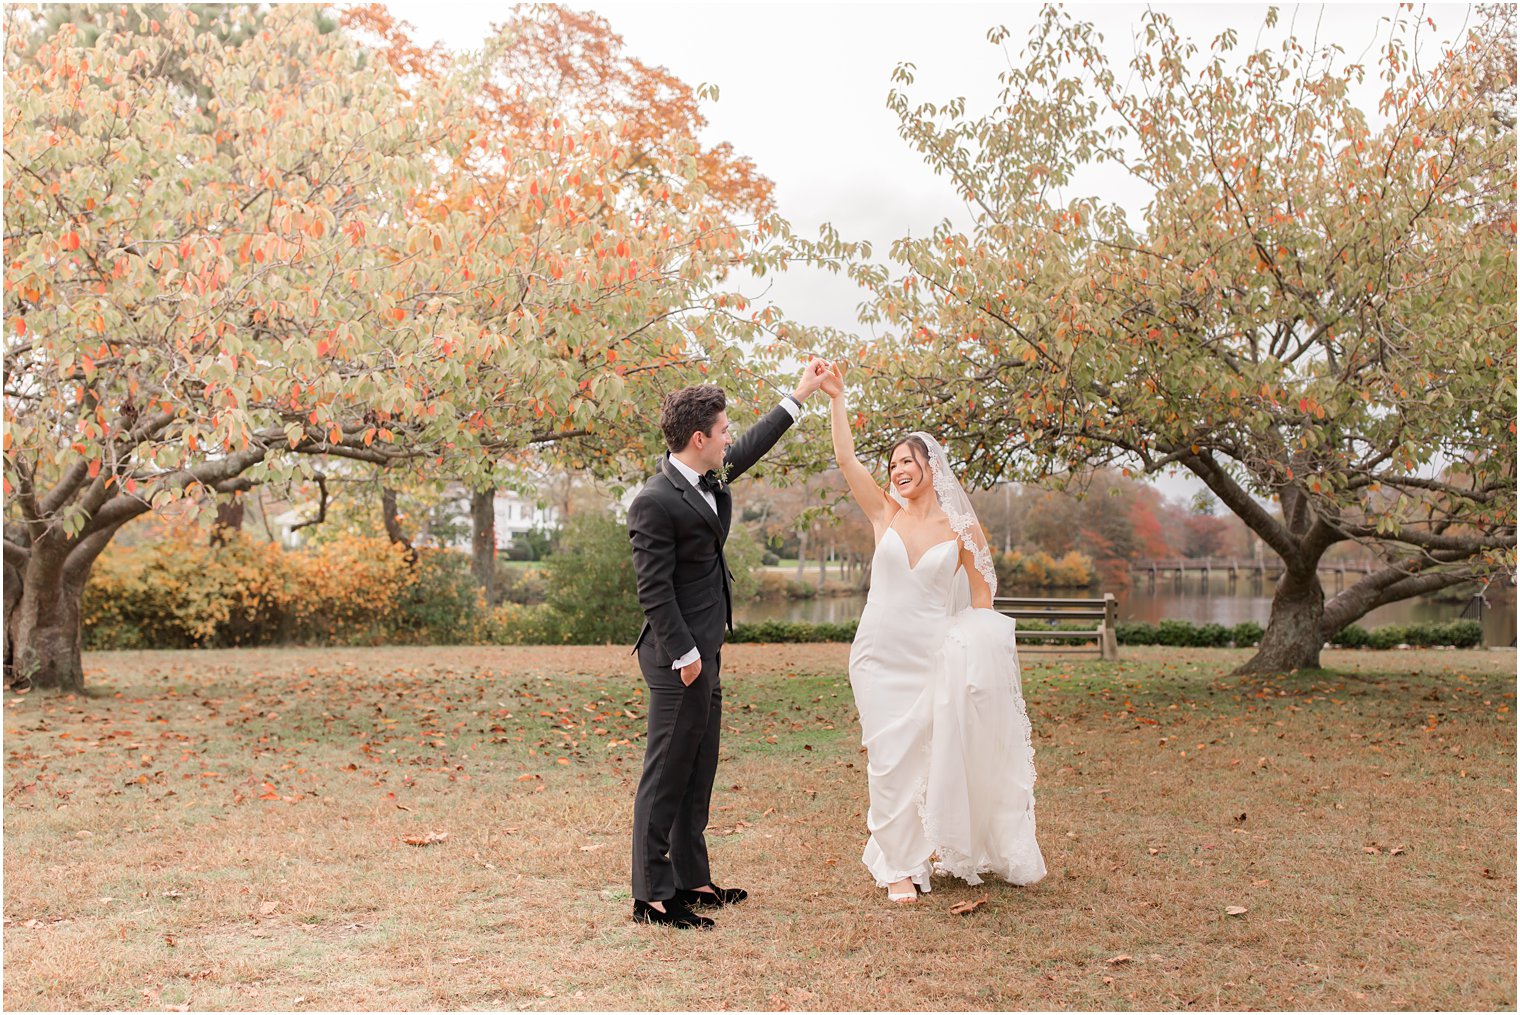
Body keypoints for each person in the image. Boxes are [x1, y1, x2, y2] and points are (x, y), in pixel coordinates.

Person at [819, 362, 1045, 903]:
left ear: (930, 465)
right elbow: (847, 460)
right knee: (889, 758)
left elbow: (984, 588)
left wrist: (975, 645)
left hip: (932, 658)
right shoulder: (883, 515)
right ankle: (897, 867)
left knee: (924, 760)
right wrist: (837, 399)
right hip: (877, 657)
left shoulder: (961, 528)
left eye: (907, 461)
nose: (898, 470)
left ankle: (918, 855)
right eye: (893, 463)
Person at [626, 361, 829, 929]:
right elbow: (653, 592)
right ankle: (654, 895)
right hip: (676, 658)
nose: (729, 437)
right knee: (665, 774)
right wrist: (688, 658)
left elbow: (755, 445)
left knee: (698, 769)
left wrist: (800, 393)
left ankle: (693, 878)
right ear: (699, 438)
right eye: (722, 429)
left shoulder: (708, 477)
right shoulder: (654, 500)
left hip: (707, 649)